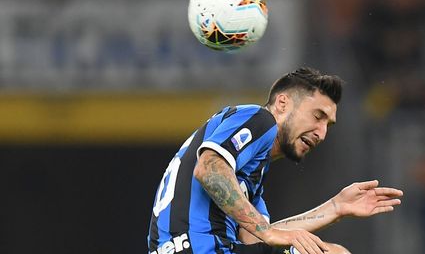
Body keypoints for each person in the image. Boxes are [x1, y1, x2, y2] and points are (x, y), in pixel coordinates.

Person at [147, 67, 404, 254]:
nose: (322, 133)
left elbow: (255, 237)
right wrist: (268, 232)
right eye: (317, 116)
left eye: (328, 125)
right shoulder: (259, 119)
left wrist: (335, 208)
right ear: (282, 103)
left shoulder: (250, 174)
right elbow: (209, 169)